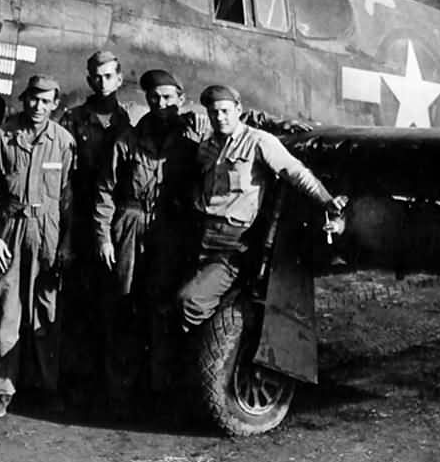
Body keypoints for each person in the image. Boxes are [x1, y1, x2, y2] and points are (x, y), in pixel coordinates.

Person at [177, 84, 343, 333]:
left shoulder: (258, 141)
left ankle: (208, 341)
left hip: (231, 245)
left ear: (238, 110)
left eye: (225, 111)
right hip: (199, 237)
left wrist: (327, 201)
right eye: (213, 112)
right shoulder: (206, 146)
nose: (219, 118)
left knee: (190, 302)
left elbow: (295, 172)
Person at [92, 69, 205, 414]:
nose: (160, 104)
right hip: (129, 223)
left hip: (168, 228)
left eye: (168, 98)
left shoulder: (190, 140)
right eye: (154, 98)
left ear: (181, 99)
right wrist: (104, 238)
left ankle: (160, 390)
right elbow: (104, 191)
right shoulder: (127, 140)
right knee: (123, 303)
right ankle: (119, 392)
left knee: (162, 305)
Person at [0, 75, 76, 419]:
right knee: (5, 309)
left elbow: (68, 197)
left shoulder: (63, 142)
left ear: (55, 105)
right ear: (24, 98)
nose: (38, 106)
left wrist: (66, 243)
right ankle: (1, 389)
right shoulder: (0, 137)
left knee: (46, 312)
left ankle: (47, 388)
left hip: (48, 231)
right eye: (33, 99)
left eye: (46, 101)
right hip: (11, 227)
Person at [55, 48, 134, 410]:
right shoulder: (73, 120)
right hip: (81, 221)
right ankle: (75, 387)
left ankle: (111, 390)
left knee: (114, 306)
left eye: (108, 76)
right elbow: (65, 182)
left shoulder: (127, 122)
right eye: (96, 77)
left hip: (116, 227)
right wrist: (67, 237)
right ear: (89, 80)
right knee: (77, 306)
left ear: (119, 79)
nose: (102, 83)